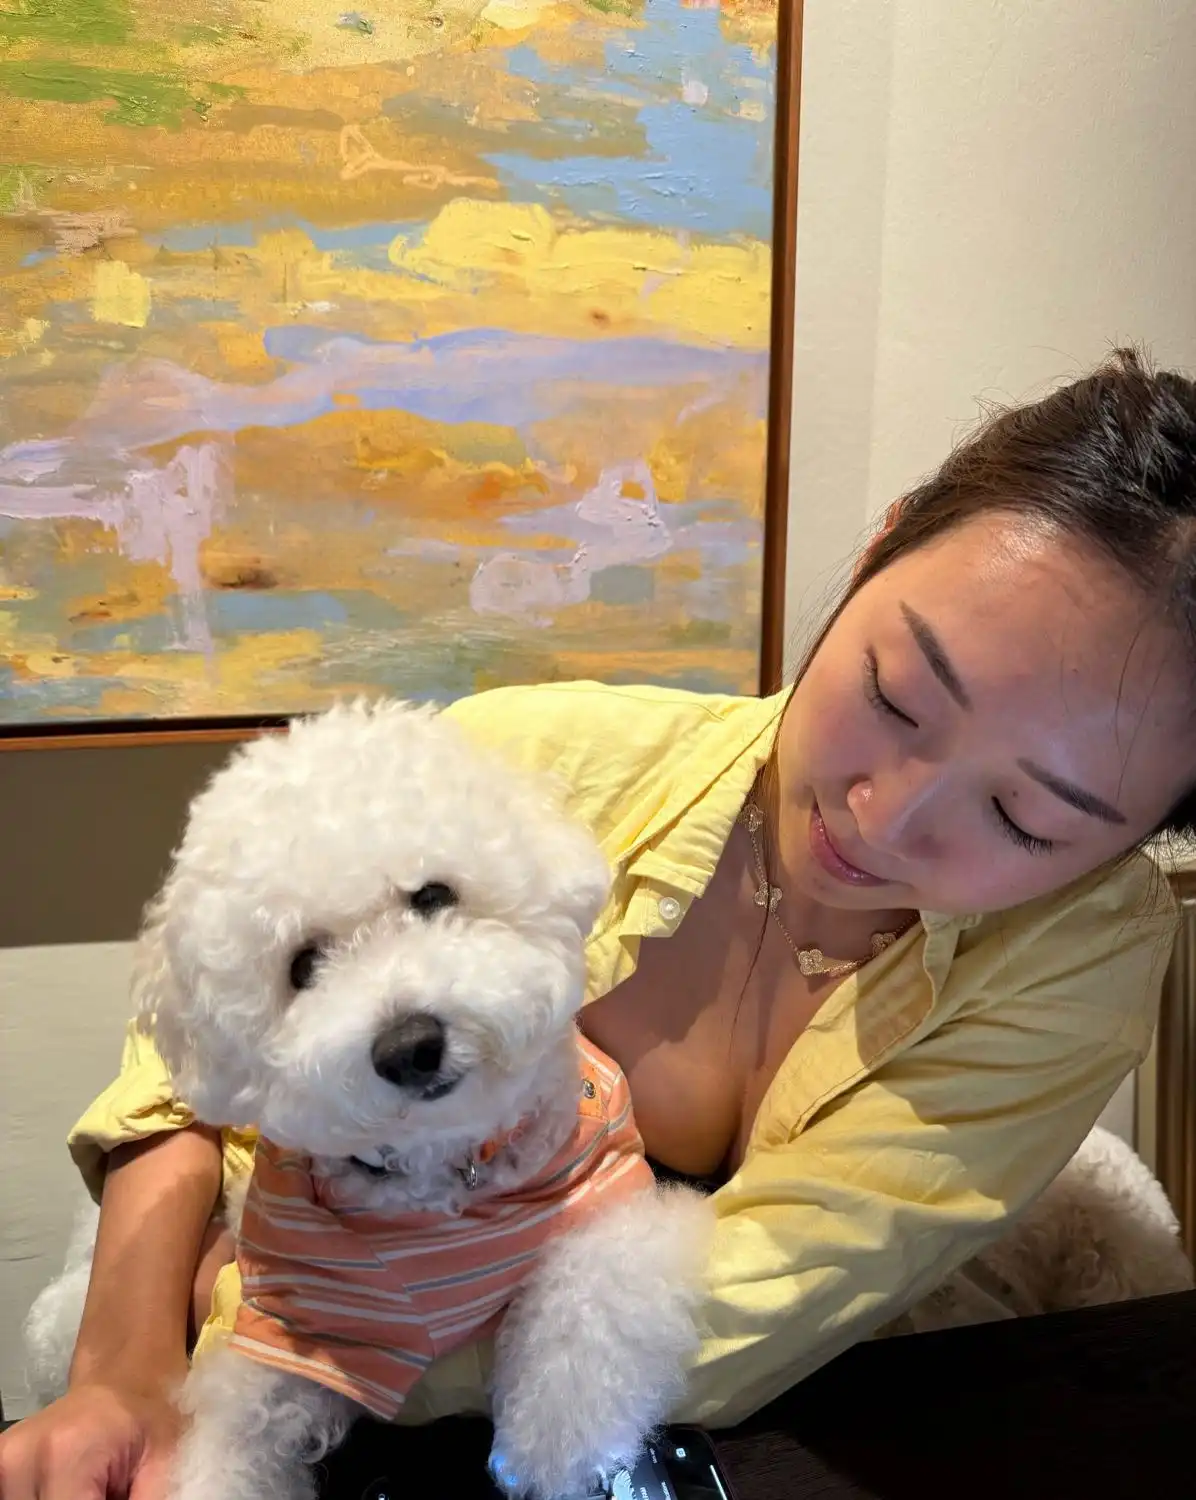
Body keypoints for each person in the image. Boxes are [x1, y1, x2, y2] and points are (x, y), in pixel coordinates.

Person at [4, 348, 1196, 1500]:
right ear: (879, 544)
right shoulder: (524, 760)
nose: (883, 816)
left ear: (1135, 839)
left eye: (1024, 817)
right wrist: (128, 1358)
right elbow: (185, 1063)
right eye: (894, 695)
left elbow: (760, 1309)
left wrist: (271, 1340)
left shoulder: (1081, 944)